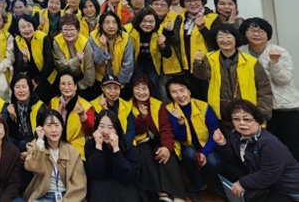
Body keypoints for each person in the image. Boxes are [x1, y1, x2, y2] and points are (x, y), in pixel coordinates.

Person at [239, 17, 299, 162]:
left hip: (283, 106)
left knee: (292, 145)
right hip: (258, 108)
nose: (256, 34)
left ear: (268, 34)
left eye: (261, 31)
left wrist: (274, 63)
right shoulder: (241, 52)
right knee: (269, 148)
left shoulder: (278, 51)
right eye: (251, 30)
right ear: (245, 33)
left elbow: (284, 80)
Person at [214, 100, 299, 202]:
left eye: (247, 119)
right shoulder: (235, 135)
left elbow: (269, 174)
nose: (241, 123)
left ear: (257, 120)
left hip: (287, 189)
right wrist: (222, 143)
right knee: (231, 169)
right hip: (266, 182)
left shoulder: (268, 143)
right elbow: (232, 159)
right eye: (236, 119)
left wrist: (242, 184)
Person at [192, 24, 273, 127]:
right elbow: (202, 76)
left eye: (228, 36)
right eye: (220, 37)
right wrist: (199, 63)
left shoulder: (251, 61)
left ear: (236, 39)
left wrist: (261, 115)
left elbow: (264, 89)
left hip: (248, 112)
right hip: (220, 112)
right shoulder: (209, 58)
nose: (224, 40)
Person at [165, 76, 223, 202]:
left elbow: (215, 132)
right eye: (174, 92)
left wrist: (204, 153)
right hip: (189, 146)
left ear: (189, 91)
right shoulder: (169, 110)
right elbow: (180, 138)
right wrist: (180, 121)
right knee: (188, 153)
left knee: (214, 161)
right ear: (170, 95)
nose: (179, 95)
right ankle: (198, 187)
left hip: (208, 146)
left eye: (182, 90)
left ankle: (221, 188)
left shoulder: (204, 106)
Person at [130, 74, 186, 202]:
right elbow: (135, 130)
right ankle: (161, 194)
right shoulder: (127, 106)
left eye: (144, 88)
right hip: (141, 141)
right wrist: (143, 118)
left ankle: (177, 195)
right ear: (132, 90)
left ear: (150, 90)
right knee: (144, 152)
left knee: (165, 153)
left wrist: (166, 147)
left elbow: (166, 128)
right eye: (137, 88)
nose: (141, 92)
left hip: (159, 139)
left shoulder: (158, 104)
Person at [22, 110, 87, 202]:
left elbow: (79, 184)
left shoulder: (72, 151)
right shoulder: (35, 145)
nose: (53, 130)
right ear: (41, 128)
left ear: (62, 128)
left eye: (57, 125)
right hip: (44, 196)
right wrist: (40, 142)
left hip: (67, 196)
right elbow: (34, 167)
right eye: (49, 125)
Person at [85, 109, 146, 202]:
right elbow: (95, 175)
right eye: (101, 126)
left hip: (125, 186)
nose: (105, 131)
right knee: (97, 187)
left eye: (110, 127)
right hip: (100, 187)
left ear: (117, 130)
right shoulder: (91, 146)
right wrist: (98, 147)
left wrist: (116, 149)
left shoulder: (130, 148)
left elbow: (128, 178)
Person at [180, 0, 219, 99]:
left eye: (196, 0)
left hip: (206, 68)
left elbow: (217, 43)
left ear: (202, 0)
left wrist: (202, 28)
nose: (192, 3)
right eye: (188, 0)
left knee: (208, 99)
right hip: (188, 69)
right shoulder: (182, 19)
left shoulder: (213, 18)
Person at [48, 69, 95, 160]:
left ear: (76, 86)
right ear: (59, 86)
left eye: (69, 84)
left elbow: (90, 132)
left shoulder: (85, 105)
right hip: (55, 144)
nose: (66, 87)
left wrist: (83, 117)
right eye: (63, 84)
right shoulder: (53, 102)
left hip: (76, 146)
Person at [149, 0, 186, 101]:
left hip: (170, 62)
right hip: (152, 61)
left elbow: (176, 41)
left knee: (169, 92)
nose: (159, 7)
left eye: (163, 5)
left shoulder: (175, 18)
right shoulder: (147, 18)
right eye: (156, 4)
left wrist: (170, 32)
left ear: (169, 6)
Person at [52, 14, 96, 98]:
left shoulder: (85, 43)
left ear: (78, 30)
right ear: (61, 30)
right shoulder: (57, 41)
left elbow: (89, 69)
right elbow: (61, 65)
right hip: (65, 76)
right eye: (65, 29)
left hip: (82, 78)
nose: (68, 33)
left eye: (72, 29)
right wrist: (77, 60)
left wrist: (80, 85)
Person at [14, 14, 56, 102]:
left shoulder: (42, 37)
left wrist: (37, 81)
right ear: (18, 29)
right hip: (27, 78)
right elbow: (20, 68)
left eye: (29, 25)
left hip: (45, 77)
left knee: (43, 93)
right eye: (23, 27)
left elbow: (49, 63)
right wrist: (24, 59)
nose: (27, 29)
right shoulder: (17, 40)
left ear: (33, 25)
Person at [90, 12, 135, 87]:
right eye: (107, 23)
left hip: (120, 80)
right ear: (101, 24)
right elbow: (97, 61)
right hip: (100, 78)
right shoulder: (93, 36)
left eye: (114, 22)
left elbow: (128, 63)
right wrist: (103, 47)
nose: (111, 26)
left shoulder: (125, 37)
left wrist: (117, 83)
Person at [90, 74, 135, 144]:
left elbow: (131, 130)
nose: (113, 91)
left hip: (124, 142)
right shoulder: (93, 105)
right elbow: (93, 129)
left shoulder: (127, 105)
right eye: (109, 88)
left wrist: (123, 144)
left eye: (116, 88)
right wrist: (105, 109)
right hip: (102, 142)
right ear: (102, 88)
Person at [129, 7, 163, 96]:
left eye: (151, 22)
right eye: (144, 21)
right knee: (137, 83)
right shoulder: (129, 30)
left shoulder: (160, 30)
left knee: (152, 83)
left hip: (152, 63)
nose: (147, 24)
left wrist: (163, 45)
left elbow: (167, 53)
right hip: (135, 62)